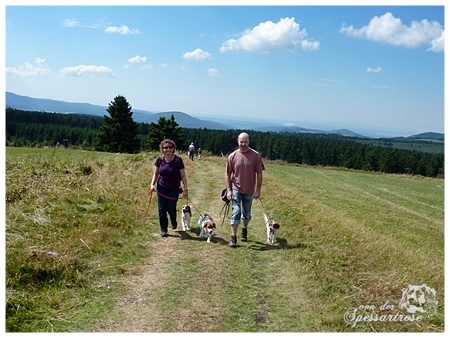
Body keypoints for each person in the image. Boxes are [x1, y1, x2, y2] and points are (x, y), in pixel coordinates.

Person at [225, 132, 264, 247]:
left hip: (249, 190)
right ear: (238, 141)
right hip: (236, 188)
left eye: (245, 142)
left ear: (249, 142)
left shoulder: (255, 156)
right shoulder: (232, 156)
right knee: (236, 211)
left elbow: (259, 173)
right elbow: (227, 174)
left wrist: (258, 190)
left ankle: (244, 230)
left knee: (246, 213)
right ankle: (233, 238)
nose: (243, 144)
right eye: (241, 141)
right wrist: (229, 190)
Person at [150, 139, 189, 237]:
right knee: (161, 209)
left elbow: (183, 176)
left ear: (173, 149)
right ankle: (164, 229)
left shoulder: (178, 160)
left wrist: (185, 189)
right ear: (162, 149)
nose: (168, 149)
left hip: (174, 188)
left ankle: (173, 221)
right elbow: (156, 173)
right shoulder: (159, 160)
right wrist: (152, 184)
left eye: (170, 147)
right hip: (161, 187)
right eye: (165, 147)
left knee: (171, 208)